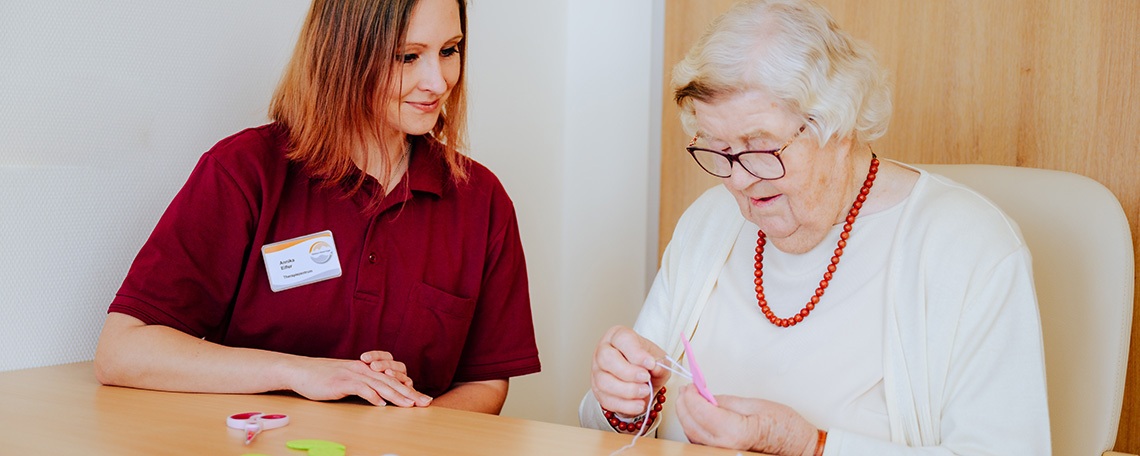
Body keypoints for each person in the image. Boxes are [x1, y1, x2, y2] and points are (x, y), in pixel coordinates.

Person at [580, 0, 1050, 454]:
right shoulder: (710, 221)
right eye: (719, 149)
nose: (738, 179)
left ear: (837, 125)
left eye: (760, 146)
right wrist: (623, 401)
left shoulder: (967, 247)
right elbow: (616, 426)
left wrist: (809, 447)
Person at [94, 0, 540, 415]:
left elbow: (485, 382)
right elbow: (123, 351)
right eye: (407, 56)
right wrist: (299, 372)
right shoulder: (245, 171)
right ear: (343, 54)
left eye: (449, 50)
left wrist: (402, 433)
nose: (438, 82)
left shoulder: (482, 200)